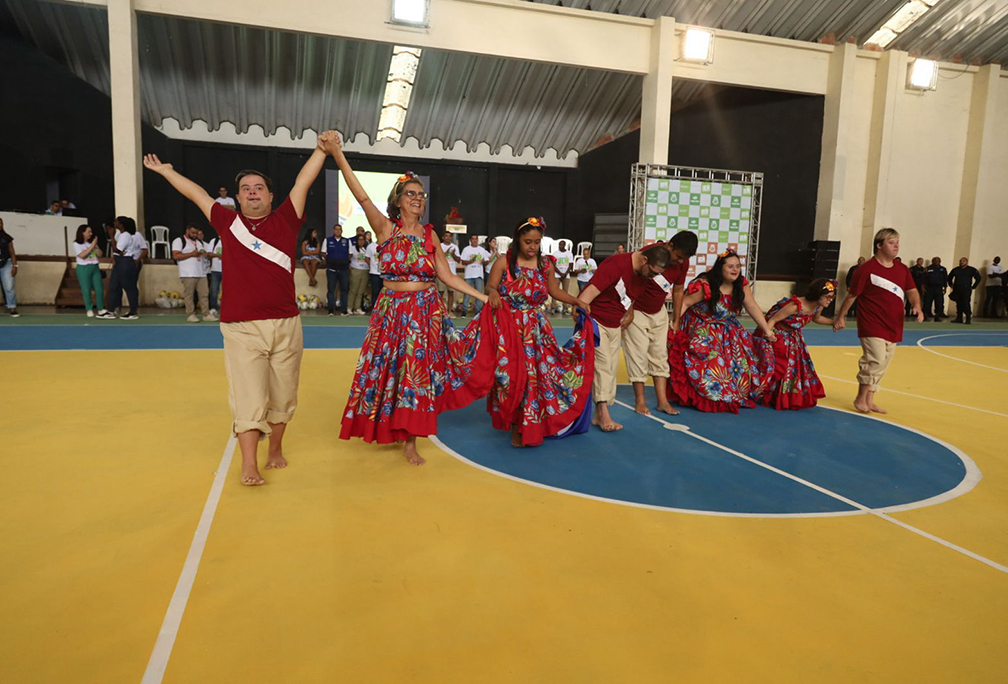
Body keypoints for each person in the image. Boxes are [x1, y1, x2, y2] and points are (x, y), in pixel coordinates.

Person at [143, 132, 331, 486]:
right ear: (238, 196)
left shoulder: (287, 219)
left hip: (286, 324)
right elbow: (195, 192)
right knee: (248, 396)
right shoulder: (226, 222)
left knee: (284, 393)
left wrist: (320, 151)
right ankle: (249, 463)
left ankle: (274, 449)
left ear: (271, 195)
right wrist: (168, 171)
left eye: (259, 187)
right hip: (242, 327)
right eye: (246, 188)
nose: (253, 191)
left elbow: (304, 179)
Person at [324, 135, 495, 466]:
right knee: (388, 370)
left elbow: (447, 276)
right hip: (391, 312)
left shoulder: (430, 234)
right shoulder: (385, 228)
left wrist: (483, 297)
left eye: (421, 195)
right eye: (411, 194)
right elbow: (359, 194)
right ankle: (388, 427)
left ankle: (411, 441)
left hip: (425, 312)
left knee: (417, 374)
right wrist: (337, 154)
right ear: (398, 200)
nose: (418, 199)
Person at [485, 217, 595, 447]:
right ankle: (516, 424)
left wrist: (576, 300)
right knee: (514, 378)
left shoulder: (546, 264)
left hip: (537, 329)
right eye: (528, 241)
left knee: (537, 377)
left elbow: (554, 291)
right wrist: (493, 293)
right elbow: (491, 286)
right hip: (510, 328)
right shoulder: (504, 262)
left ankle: (531, 423)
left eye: (536, 241)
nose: (532, 246)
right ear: (518, 240)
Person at [575, 243, 671, 431]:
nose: (652, 278)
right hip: (596, 321)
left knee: (610, 368)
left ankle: (598, 413)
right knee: (602, 366)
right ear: (644, 259)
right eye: (652, 272)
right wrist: (580, 321)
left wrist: (631, 311)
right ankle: (603, 413)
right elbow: (588, 293)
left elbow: (630, 295)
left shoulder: (643, 273)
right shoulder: (616, 265)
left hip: (615, 324)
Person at [667, 251, 777, 414]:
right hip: (703, 327)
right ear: (720, 268)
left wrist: (767, 330)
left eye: (738, 266)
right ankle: (709, 396)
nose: (735, 270)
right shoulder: (705, 285)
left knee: (743, 362)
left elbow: (752, 306)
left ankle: (731, 393)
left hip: (727, 329)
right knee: (711, 364)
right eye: (730, 266)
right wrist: (675, 324)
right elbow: (684, 303)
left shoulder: (741, 285)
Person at [832, 228, 923, 414]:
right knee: (875, 359)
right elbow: (851, 296)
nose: (896, 245)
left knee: (885, 362)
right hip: (871, 323)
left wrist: (917, 306)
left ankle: (870, 399)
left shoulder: (902, 269)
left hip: (894, 324)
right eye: (891, 242)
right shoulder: (866, 270)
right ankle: (860, 398)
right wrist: (840, 316)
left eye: (897, 242)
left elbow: (911, 290)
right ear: (879, 245)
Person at [623, 230, 699, 416]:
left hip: (659, 313)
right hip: (637, 312)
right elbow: (630, 283)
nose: (680, 262)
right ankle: (640, 401)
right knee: (638, 354)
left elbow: (679, 290)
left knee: (660, 356)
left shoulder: (683, 261)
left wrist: (676, 319)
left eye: (684, 259)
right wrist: (629, 311)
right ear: (670, 246)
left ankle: (662, 401)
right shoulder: (648, 253)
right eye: (678, 257)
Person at [757, 279, 836, 410]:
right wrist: (767, 337)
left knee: (793, 369)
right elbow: (773, 319)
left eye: (832, 297)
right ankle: (767, 393)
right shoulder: (795, 306)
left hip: (793, 337)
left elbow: (816, 318)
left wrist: (833, 322)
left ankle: (786, 397)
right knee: (778, 366)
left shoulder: (818, 306)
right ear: (818, 295)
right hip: (779, 335)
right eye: (827, 297)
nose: (830, 300)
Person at [172, 224, 215, 323]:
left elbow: (202, 252)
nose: (195, 235)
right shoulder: (179, 241)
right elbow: (176, 256)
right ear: (187, 230)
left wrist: (207, 255)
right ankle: (191, 314)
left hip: (201, 272)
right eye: (193, 233)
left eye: (196, 233)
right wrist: (191, 254)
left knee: (204, 294)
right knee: (189, 295)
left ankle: (206, 314)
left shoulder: (198, 242)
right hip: (188, 273)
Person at [72, 224, 114, 319]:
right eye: (88, 232)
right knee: (86, 289)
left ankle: (101, 309)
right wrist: (92, 246)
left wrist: (95, 247)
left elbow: (100, 254)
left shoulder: (91, 243)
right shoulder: (76, 244)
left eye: (91, 232)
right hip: (83, 268)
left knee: (99, 289)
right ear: (82, 233)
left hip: (94, 266)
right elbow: (82, 255)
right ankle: (89, 309)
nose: (90, 234)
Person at [106, 216, 140, 320]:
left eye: (116, 221)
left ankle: (133, 312)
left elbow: (117, 249)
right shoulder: (120, 235)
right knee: (114, 286)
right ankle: (111, 311)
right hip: (119, 262)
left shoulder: (125, 235)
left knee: (129, 287)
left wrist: (111, 236)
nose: (114, 223)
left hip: (126, 262)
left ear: (121, 225)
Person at [322, 224, 350, 316]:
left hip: (343, 270)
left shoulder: (347, 241)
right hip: (331, 270)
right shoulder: (327, 240)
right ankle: (330, 310)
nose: (338, 231)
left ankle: (343, 310)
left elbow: (350, 254)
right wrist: (332, 260)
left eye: (339, 229)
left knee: (344, 290)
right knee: (331, 290)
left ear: (341, 231)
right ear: (333, 231)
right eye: (336, 229)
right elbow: (323, 253)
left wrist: (343, 260)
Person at [460, 234, 490, 315]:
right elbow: (463, 262)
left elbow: (487, 262)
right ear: (470, 240)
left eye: (476, 239)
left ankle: (478, 311)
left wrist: (483, 262)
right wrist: (472, 261)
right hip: (468, 275)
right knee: (467, 293)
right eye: (473, 239)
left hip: (479, 275)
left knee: (479, 293)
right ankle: (464, 311)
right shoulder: (466, 249)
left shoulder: (482, 250)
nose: (475, 240)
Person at [948, 257, 980, 324]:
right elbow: (949, 277)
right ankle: (959, 318)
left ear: (966, 262)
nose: (961, 262)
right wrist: (951, 285)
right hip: (957, 289)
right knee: (958, 304)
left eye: (963, 261)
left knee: (966, 303)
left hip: (966, 289)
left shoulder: (971, 270)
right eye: (960, 261)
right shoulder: (956, 270)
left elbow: (978, 278)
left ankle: (968, 318)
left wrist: (974, 286)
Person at [0, 218, 20, 317]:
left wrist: (15, 265)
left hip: (6, 263)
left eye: (1, 223)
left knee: (9, 286)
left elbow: (12, 252)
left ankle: (12, 308)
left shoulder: (7, 238)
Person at [347, 233, 370, 314]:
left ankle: (357, 308)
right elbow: (347, 257)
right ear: (357, 241)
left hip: (365, 270)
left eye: (362, 240)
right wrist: (349, 266)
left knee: (361, 291)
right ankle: (349, 307)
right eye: (359, 240)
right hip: (356, 270)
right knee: (353, 290)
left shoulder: (367, 249)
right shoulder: (353, 248)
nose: (361, 241)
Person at [437, 231, 460, 313]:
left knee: (451, 292)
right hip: (441, 273)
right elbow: (437, 258)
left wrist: (453, 254)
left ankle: (449, 311)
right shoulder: (439, 246)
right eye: (446, 236)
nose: (448, 238)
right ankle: (440, 310)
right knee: (440, 292)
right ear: (443, 237)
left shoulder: (455, 247)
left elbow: (458, 260)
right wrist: (445, 253)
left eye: (449, 236)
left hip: (452, 273)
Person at [552, 239, 574, 314]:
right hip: (557, 275)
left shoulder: (569, 254)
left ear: (564, 245)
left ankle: (565, 308)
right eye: (559, 245)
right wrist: (560, 273)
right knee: (554, 291)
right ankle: (553, 307)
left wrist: (565, 274)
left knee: (565, 292)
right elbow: (553, 265)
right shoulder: (555, 253)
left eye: (561, 245)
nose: (560, 246)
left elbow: (570, 265)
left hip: (566, 275)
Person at [923, 256, 948, 321]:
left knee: (939, 303)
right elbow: (923, 279)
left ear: (940, 261)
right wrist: (922, 287)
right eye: (935, 260)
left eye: (938, 260)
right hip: (929, 288)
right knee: (927, 302)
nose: (936, 262)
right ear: (932, 261)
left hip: (938, 288)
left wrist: (945, 287)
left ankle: (937, 316)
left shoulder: (943, 269)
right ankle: (925, 315)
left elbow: (945, 279)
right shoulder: (927, 269)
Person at [204, 231, 223, 315]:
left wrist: (215, 255)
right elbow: (208, 255)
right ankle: (213, 308)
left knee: (228, 291)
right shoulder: (214, 241)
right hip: (215, 270)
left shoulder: (230, 240)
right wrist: (218, 256)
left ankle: (227, 308)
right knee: (214, 290)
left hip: (227, 270)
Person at [364, 232, 382, 312]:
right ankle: (375, 309)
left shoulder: (387, 245)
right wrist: (371, 265)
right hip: (374, 272)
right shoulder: (371, 246)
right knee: (375, 291)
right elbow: (366, 258)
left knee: (383, 292)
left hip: (384, 273)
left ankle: (382, 309)